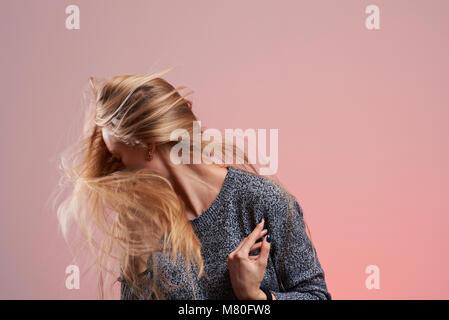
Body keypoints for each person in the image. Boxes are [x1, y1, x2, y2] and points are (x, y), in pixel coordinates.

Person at [56, 66, 331, 300]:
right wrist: (137, 263)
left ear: (148, 145)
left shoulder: (260, 200)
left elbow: (316, 295)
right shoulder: (143, 225)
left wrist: (256, 297)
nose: (116, 173)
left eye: (118, 158)